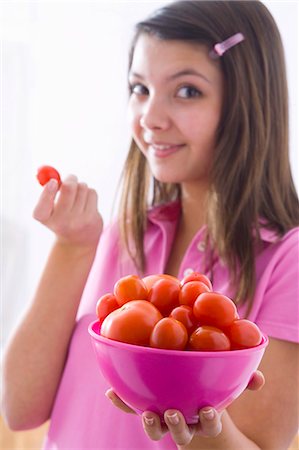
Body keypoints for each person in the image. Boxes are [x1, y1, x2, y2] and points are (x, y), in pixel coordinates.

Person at [2, 1, 298, 448]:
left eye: (187, 92)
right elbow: (19, 406)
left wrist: (202, 430)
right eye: (140, 88)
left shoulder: (288, 260)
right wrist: (73, 246)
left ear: (247, 101)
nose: (150, 118)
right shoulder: (121, 232)